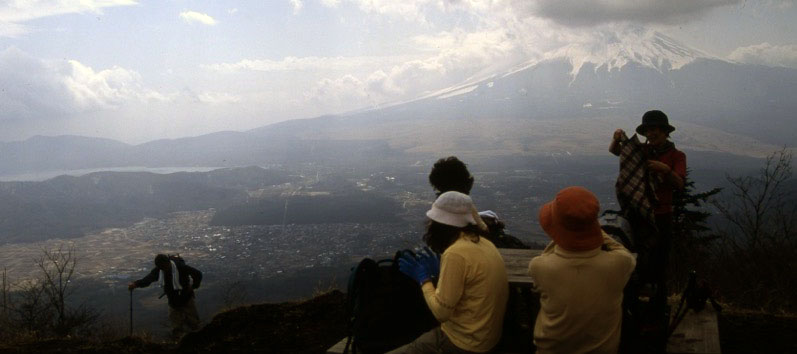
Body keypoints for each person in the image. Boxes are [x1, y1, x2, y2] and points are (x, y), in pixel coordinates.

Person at [389, 191, 509, 353]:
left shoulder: (456, 253)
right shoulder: (484, 243)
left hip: (465, 343)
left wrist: (423, 279)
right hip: (487, 337)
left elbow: (441, 313)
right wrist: (440, 272)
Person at [528, 186, 636, 354]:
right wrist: (595, 230)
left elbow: (547, 254)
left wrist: (562, 234)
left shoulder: (540, 267)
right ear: (594, 225)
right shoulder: (620, 264)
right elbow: (622, 251)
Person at [609, 110, 686, 319]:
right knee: (633, 262)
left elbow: (680, 183)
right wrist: (616, 138)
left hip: (662, 215)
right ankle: (632, 307)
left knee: (659, 262)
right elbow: (616, 151)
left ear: (664, 132)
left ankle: (658, 310)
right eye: (649, 130)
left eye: (655, 130)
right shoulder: (641, 150)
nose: (651, 134)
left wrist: (665, 170)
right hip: (638, 213)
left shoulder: (677, 156)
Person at [128, 254, 203, 339]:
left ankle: (198, 341)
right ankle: (178, 342)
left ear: (168, 262)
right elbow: (148, 279)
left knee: (194, 323)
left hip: (186, 298)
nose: (164, 269)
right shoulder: (159, 270)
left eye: (165, 266)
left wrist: (193, 286)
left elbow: (198, 274)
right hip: (173, 301)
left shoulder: (180, 267)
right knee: (176, 327)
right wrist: (135, 284)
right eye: (161, 268)